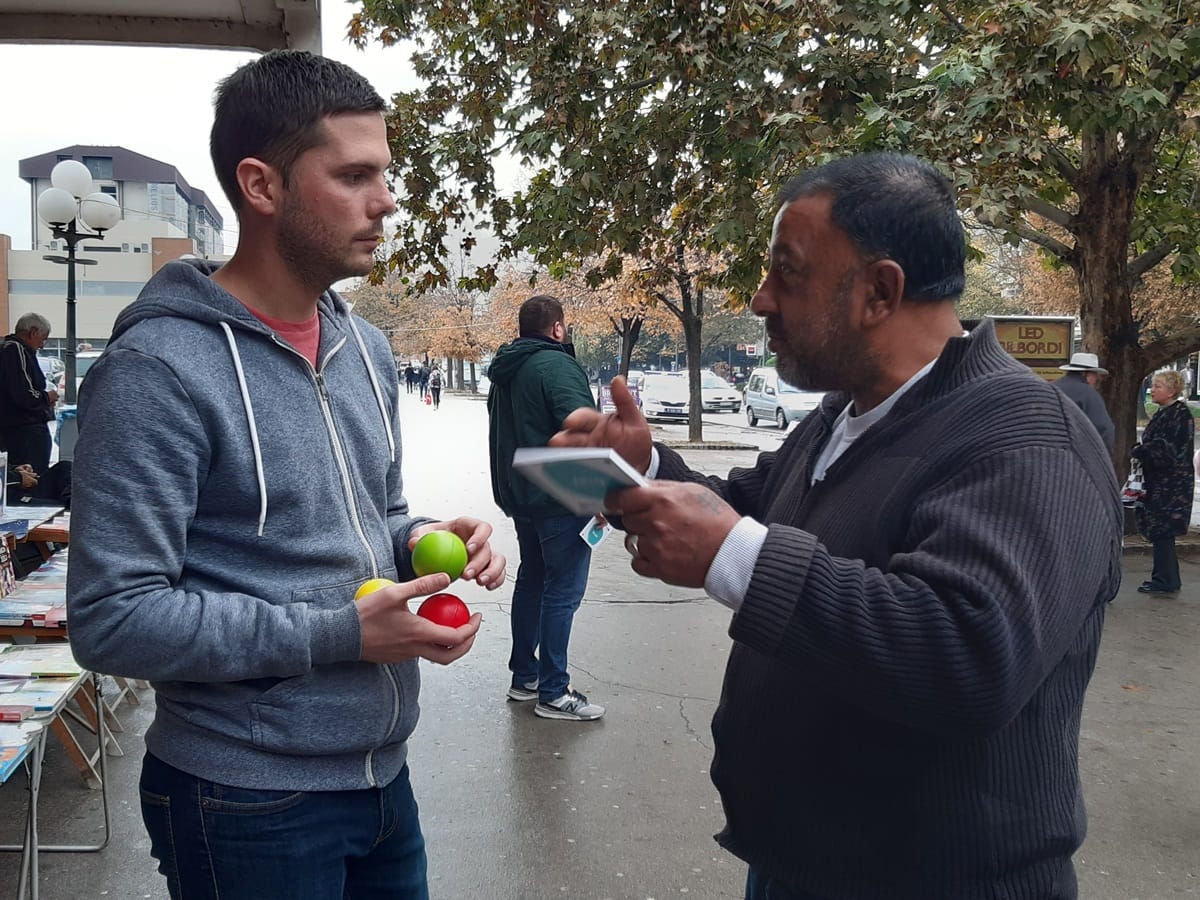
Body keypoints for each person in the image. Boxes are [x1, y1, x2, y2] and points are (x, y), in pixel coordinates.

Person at [553, 153, 1123, 898]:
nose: (760, 300)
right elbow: (748, 507)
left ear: (880, 291)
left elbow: (972, 654)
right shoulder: (846, 415)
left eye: (787, 273)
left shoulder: (1028, 438)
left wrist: (733, 554)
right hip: (801, 865)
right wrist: (645, 467)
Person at [66, 50, 506, 900]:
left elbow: (378, 512)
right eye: (355, 175)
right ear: (261, 186)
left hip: (383, 778)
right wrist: (340, 633)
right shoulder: (157, 369)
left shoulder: (366, 347)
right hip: (243, 801)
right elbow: (113, 620)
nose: (386, 201)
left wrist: (422, 542)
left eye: (385, 173)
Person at [487, 295, 604, 720]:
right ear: (557, 328)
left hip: (523, 495)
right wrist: (602, 492)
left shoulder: (506, 370)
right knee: (563, 590)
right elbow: (584, 428)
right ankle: (554, 691)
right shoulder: (557, 365)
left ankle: (525, 677)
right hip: (562, 495)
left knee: (533, 579)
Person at [1132, 368, 1194, 594]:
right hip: (1160, 481)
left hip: (1172, 484)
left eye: (1158, 386)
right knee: (1160, 531)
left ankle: (1165, 580)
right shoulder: (1165, 412)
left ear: (1171, 391)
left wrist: (1142, 451)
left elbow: (1169, 450)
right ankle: (1164, 577)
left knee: (1164, 530)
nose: (1152, 390)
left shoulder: (1179, 415)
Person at [0, 312, 59, 475]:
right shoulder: (15, 349)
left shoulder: (12, 349)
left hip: (18, 430)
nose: (42, 345)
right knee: (33, 478)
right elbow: (23, 393)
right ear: (33, 333)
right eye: (43, 338)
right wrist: (47, 397)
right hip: (24, 431)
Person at [1055, 351, 1115, 451]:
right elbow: (1104, 429)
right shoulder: (1088, 394)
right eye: (1094, 375)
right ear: (1085, 373)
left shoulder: (1051, 387)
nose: (1096, 379)